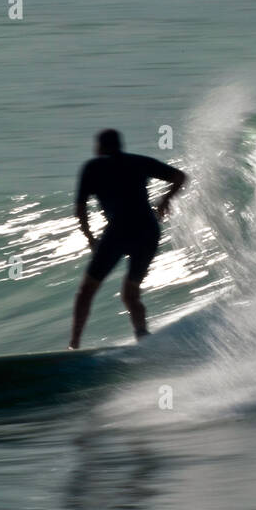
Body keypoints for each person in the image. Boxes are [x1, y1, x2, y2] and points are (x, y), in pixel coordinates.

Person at [69, 129, 186, 347]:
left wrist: (90, 238)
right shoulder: (140, 162)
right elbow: (180, 177)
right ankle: (143, 338)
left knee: (86, 292)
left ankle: (74, 345)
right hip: (148, 231)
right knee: (131, 294)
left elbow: (80, 209)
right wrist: (165, 200)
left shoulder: (93, 167)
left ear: (100, 147)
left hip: (119, 231)